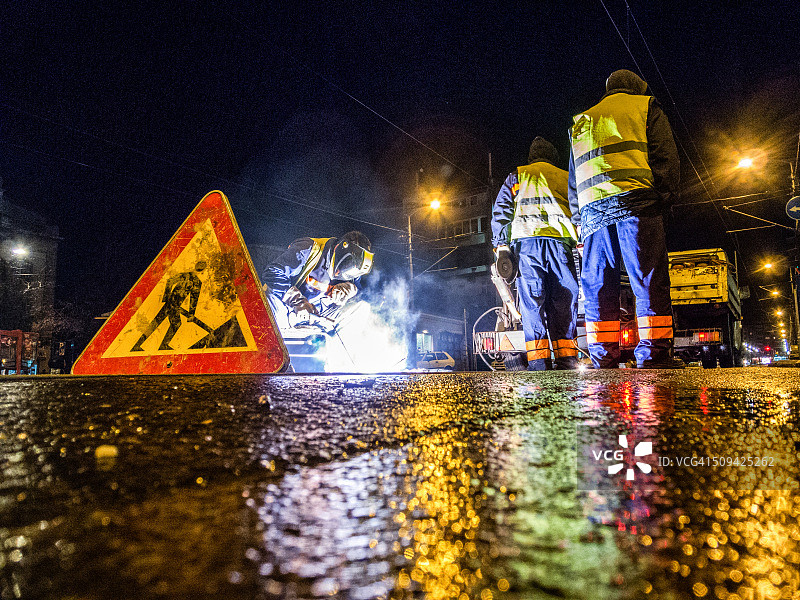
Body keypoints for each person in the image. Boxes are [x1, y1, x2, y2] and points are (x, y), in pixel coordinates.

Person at [568, 69, 680, 368]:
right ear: (637, 87)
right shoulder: (645, 106)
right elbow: (665, 156)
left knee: (598, 287)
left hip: (593, 216)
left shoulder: (582, 121)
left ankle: (603, 357)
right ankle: (653, 355)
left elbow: (574, 179)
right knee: (647, 280)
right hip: (638, 205)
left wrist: (579, 221)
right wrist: (664, 198)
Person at [491, 137, 580, 371]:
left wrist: (501, 247)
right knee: (563, 303)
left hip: (527, 249)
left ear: (531, 157)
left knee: (532, 305)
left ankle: (539, 364)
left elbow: (501, 212)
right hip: (560, 246)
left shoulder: (517, 176)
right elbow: (578, 209)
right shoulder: (565, 176)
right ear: (553, 156)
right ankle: (567, 361)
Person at [262, 231, 373, 329]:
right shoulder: (308, 248)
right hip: (287, 307)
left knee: (362, 308)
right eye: (345, 266)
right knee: (269, 303)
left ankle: (332, 343)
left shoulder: (354, 269)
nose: (339, 274)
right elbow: (273, 272)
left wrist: (351, 290)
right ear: (340, 248)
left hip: (318, 316)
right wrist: (297, 301)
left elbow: (359, 291)